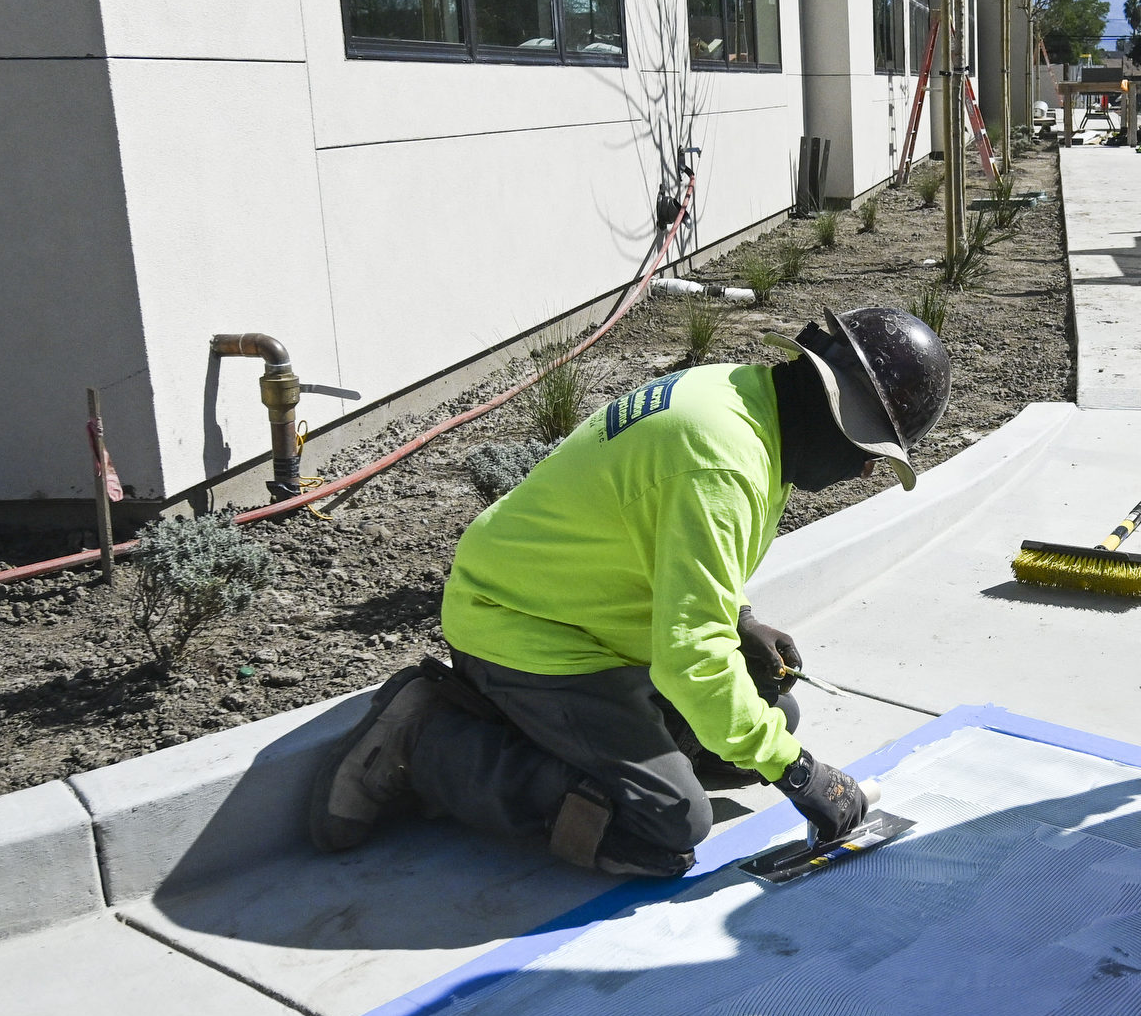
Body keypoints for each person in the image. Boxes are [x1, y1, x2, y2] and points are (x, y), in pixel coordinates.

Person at [307, 306, 947, 876]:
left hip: (586, 613)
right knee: (666, 828)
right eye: (870, 457)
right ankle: (430, 743)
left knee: (775, 717)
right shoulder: (723, 462)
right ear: (841, 420)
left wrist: (740, 619)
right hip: (525, 628)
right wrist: (803, 775)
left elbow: (664, 539)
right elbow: (691, 659)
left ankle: (598, 743)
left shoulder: (745, 400)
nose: (864, 471)